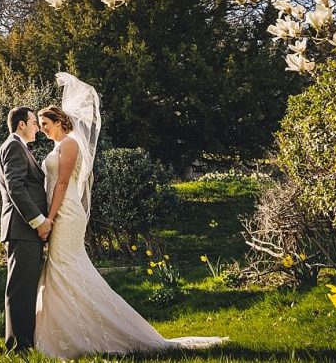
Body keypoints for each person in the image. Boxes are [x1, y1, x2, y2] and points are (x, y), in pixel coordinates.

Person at [33, 72, 227, 358]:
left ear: (61, 122)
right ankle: (68, 330)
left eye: (46, 124)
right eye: (40, 126)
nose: (43, 129)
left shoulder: (70, 144)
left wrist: (50, 217)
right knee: (61, 268)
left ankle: (96, 331)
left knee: (64, 267)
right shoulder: (59, 145)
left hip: (66, 212)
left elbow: (62, 183)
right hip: (58, 209)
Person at [0, 105, 52, 353]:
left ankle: (20, 344)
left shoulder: (17, 147)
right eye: (34, 123)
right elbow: (15, 188)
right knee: (20, 290)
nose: (37, 129)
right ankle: (19, 348)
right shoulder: (13, 147)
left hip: (22, 230)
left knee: (23, 288)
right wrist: (39, 221)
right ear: (21, 124)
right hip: (22, 229)